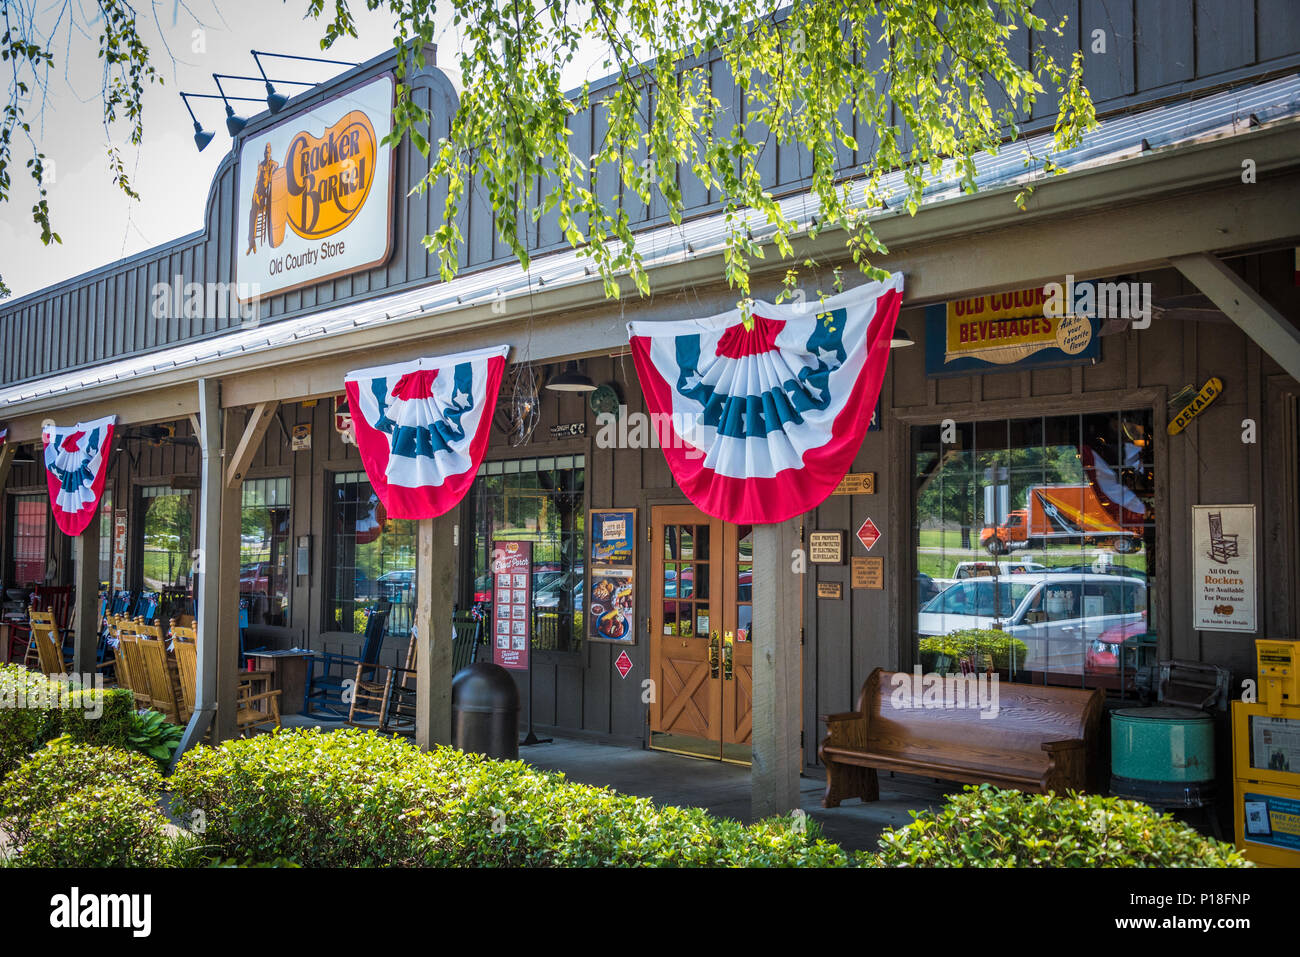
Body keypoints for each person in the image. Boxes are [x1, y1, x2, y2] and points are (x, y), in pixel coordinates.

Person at [246, 143, 278, 255]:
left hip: (268, 194)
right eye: (265, 152)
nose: (266, 154)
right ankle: (251, 241)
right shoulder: (261, 166)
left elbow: (277, 165)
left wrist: (273, 170)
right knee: (252, 212)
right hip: (260, 193)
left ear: (270, 153)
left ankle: (272, 238)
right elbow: (257, 181)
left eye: (268, 152)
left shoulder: (272, 164)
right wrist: (255, 196)